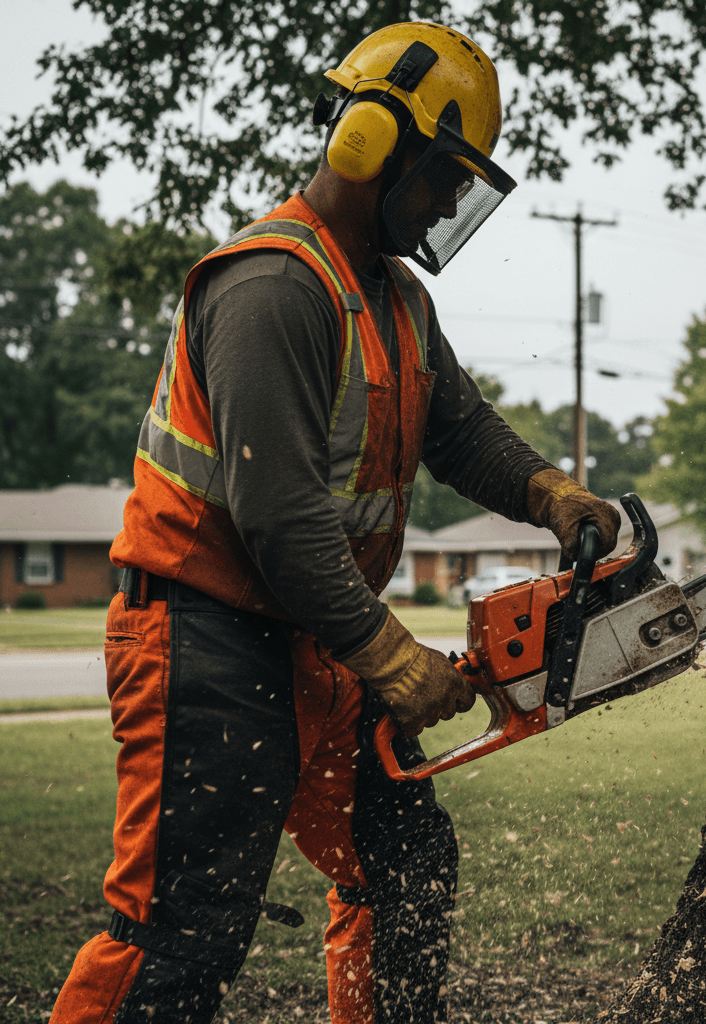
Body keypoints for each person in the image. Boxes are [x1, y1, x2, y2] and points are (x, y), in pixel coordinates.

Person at [50, 20, 620, 1024]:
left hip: (316, 634)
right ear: (369, 144)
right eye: (443, 174)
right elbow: (277, 514)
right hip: (205, 639)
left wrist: (549, 493)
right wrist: (391, 654)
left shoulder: (394, 299)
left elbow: (460, 429)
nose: (450, 199)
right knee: (183, 924)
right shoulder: (273, 287)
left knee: (405, 866)